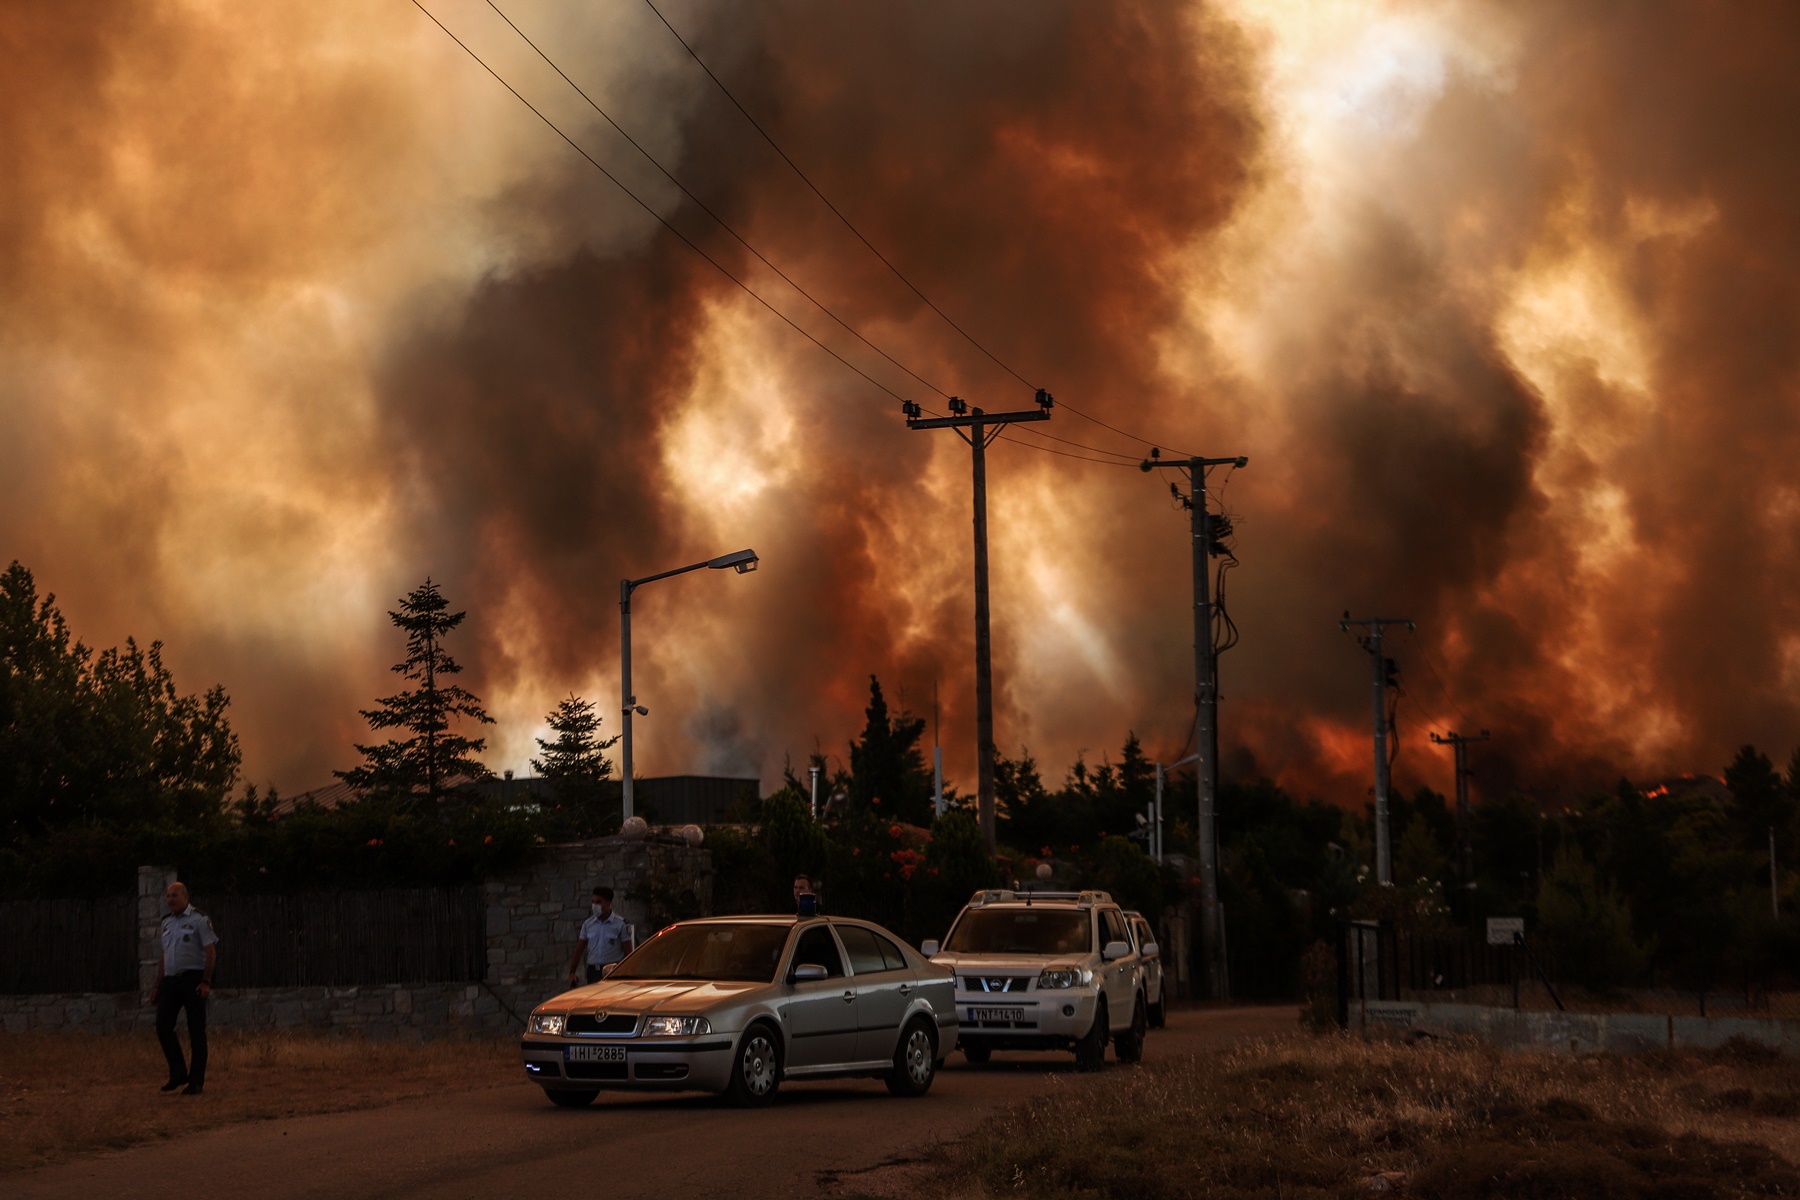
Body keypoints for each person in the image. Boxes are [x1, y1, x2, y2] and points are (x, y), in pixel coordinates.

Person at [153, 881, 217, 1095]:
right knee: (163, 1025)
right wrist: (158, 984)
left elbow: (210, 952)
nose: (170, 899)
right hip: (171, 981)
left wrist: (206, 981)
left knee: (196, 1031)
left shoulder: (199, 920)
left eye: (175, 895)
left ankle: (196, 1082)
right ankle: (178, 1072)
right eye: (168, 896)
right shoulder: (167, 922)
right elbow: (165, 954)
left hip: (193, 980)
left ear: (185, 897)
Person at [568, 886, 633, 986]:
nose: (594, 905)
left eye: (598, 902)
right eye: (593, 902)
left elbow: (628, 953)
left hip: (613, 972)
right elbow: (579, 949)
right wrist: (572, 972)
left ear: (608, 903)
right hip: (593, 972)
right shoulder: (588, 924)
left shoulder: (620, 925)